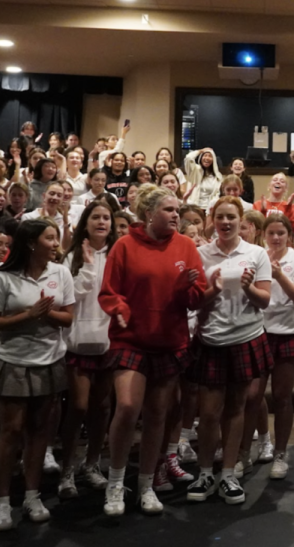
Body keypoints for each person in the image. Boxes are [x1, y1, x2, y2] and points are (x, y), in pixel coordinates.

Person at [98, 185, 208, 517]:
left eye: (177, 211)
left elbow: (198, 297)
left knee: (159, 414)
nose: (177, 216)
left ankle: (146, 484)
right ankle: (116, 482)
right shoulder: (124, 246)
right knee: (129, 406)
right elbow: (108, 292)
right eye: (169, 210)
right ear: (149, 213)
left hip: (169, 341)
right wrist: (118, 307)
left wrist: (187, 289)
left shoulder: (186, 246)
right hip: (130, 339)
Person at [0, 219, 76, 530]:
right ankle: (2, 502)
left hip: (49, 362)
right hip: (13, 362)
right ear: (32, 243)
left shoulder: (60, 273)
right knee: (11, 432)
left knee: (39, 433)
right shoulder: (3, 277)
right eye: (50, 238)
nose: (55, 244)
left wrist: (47, 315)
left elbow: (68, 318)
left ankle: (32, 495)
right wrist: (27, 316)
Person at [186, 196, 271, 505]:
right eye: (220, 217)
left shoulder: (256, 253)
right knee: (208, 413)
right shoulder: (200, 254)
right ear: (212, 220)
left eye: (231, 217)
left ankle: (229, 474)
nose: (225, 222)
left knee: (236, 409)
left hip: (246, 338)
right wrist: (214, 290)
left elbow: (265, 301)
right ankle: (206, 472)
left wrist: (248, 287)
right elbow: (192, 302)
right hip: (211, 340)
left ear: (240, 220)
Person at [57, 200, 117, 499]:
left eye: (107, 217)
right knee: (78, 406)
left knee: (102, 407)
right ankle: (67, 468)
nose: (102, 222)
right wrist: (89, 269)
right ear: (86, 222)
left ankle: (92, 463)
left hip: (109, 340)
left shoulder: (119, 253)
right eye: (96, 217)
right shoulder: (72, 256)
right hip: (78, 340)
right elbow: (70, 297)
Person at [254, 213, 294, 479]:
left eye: (281, 233)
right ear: (263, 235)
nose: (276, 238)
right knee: (253, 396)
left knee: (282, 396)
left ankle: (280, 453)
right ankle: (260, 441)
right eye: (271, 233)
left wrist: (279, 276)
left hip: (290, 332)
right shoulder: (257, 256)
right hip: (259, 331)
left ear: (290, 235)